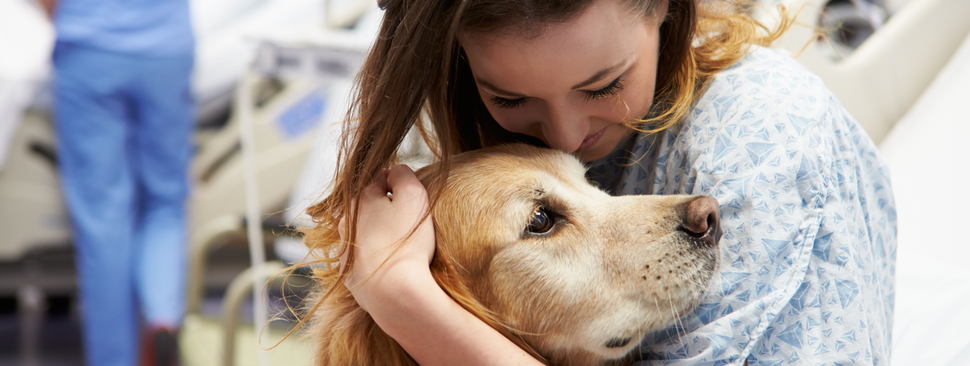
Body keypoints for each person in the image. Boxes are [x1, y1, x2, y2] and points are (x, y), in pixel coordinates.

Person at [302, 0, 897, 364]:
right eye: (509, 97)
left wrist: (402, 300)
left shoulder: (761, 137)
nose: (562, 135)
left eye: (604, 84)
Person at [39, 0, 194, 365]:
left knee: (103, 220)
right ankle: (162, 322)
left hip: (89, 50)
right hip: (166, 51)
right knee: (165, 202)